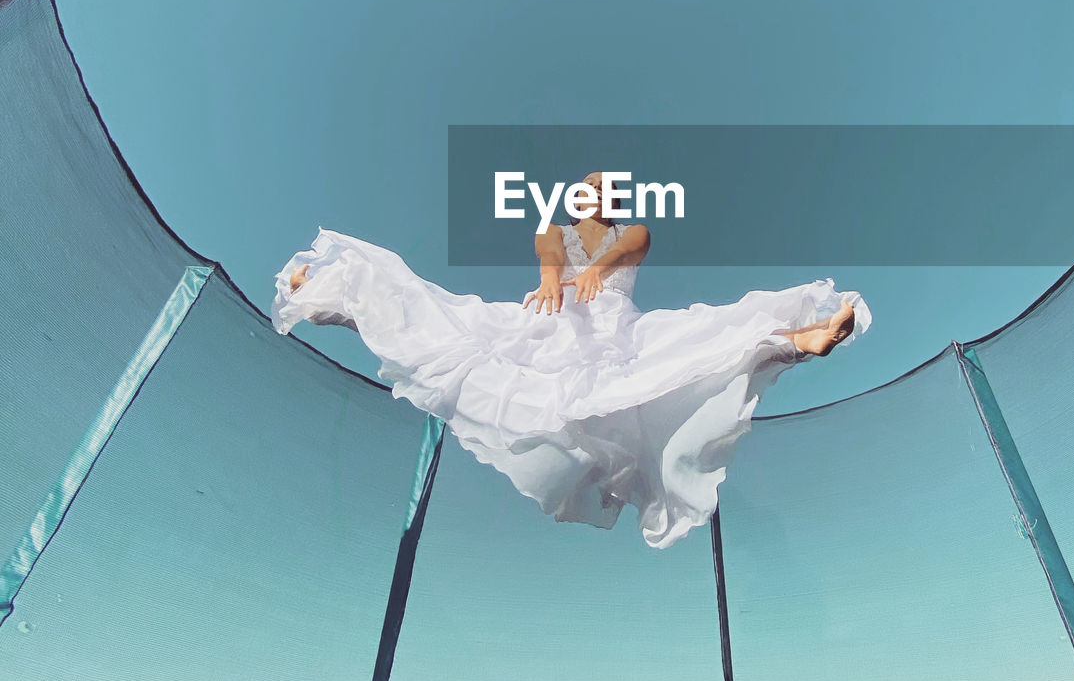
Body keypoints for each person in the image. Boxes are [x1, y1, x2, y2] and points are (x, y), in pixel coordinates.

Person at [272, 172, 870, 548]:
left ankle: (802, 338)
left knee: (702, 340)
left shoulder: (633, 228)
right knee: (446, 326)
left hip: (614, 326)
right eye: (588, 186)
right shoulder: (555, 227)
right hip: (550, 317)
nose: (595, 191)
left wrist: (594, 274)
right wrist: (556, 280)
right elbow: (549, 252)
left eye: (604, 186)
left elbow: (630, 248)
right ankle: (327, 294)